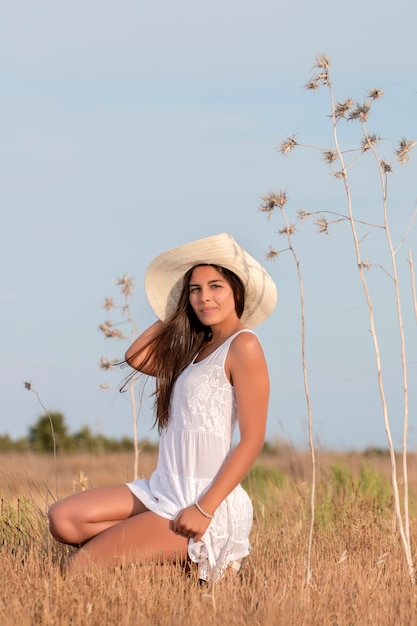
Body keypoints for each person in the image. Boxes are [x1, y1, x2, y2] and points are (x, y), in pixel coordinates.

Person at [48, 233, 277, 582]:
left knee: (79, 568)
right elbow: (136, 356)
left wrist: (204, 508)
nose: (204, 297)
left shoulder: (243, 346)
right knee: (63, 519)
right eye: (194, 290)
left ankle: (201, 550)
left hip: (202, 501)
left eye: (215, 286)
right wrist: (174, 310)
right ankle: (177, 560)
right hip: (164, 489)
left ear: (238, 292)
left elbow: (252, 440)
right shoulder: (196, 352)